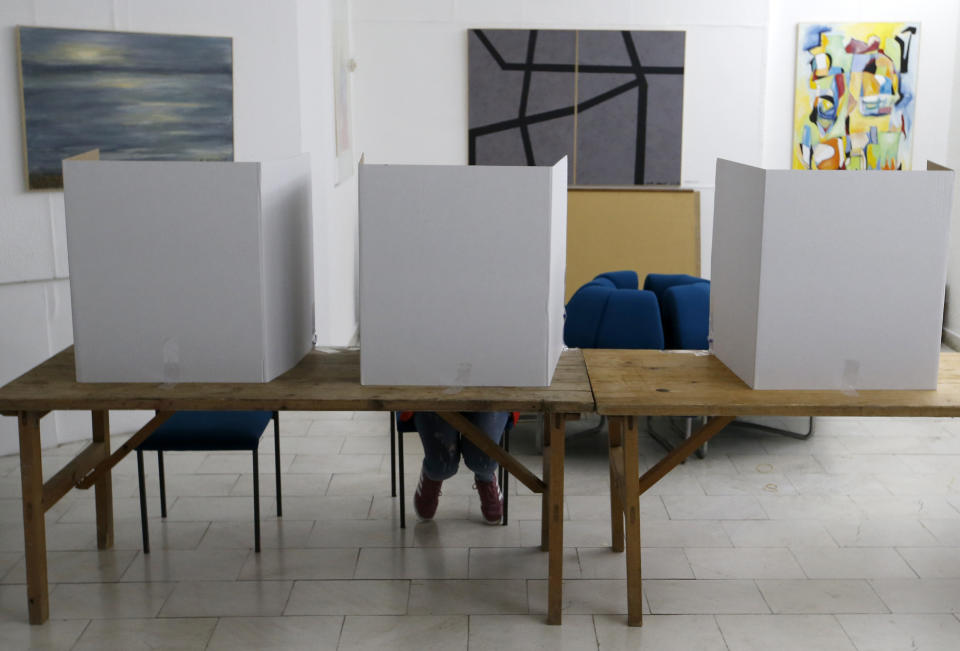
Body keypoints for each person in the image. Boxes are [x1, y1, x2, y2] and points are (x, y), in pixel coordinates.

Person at [410, 411, 509, 525]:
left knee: (483, 461)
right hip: (433, 399)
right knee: (441, 466)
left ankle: (486, 477)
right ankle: (432, 474)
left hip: (488, 397)